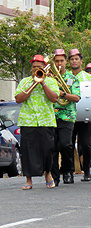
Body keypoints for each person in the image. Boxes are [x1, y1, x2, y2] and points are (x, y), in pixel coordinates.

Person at [15, 54, 60, 189]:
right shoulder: (25, 82)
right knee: (28, 151)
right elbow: (18, 99)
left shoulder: (51, 81)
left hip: (46, 121)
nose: (36, 69)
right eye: (34, 67)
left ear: (44, 68)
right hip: (28, 121)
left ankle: (48, 174)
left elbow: (54, 98)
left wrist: (43, 83)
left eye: (39, 67)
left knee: (47, 150)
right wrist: (33, 85)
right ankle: (29, 180)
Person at [68, 48, 91, 182]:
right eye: (72, 59)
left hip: (84, 116)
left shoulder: (88, 77)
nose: (74, 61)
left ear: (81, 61)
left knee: (86, 144)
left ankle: (86, 170)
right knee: (68, 144)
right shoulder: (66, 76)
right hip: (69, 115)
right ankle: (68, 171)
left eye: (76, 59)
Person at [51, 49, 81, 186]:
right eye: (56, 61)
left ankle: (68, 171)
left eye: (61, 61)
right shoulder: (49, 78)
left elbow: (76, 97)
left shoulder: (72, 78)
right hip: (51, 116)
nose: (59, 63)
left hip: (67, 116)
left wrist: (62, 94)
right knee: (52, 147)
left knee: (65, 144)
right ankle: (54, 176)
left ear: (65, 62)